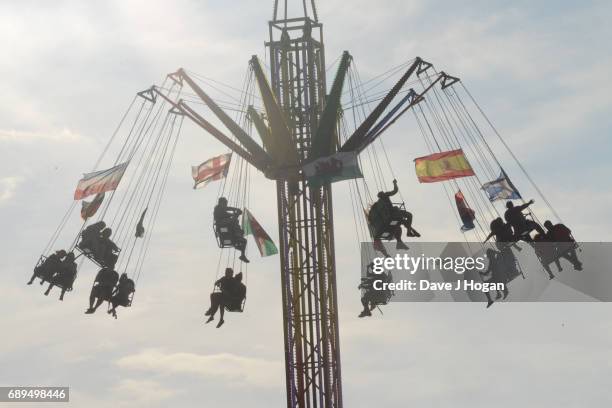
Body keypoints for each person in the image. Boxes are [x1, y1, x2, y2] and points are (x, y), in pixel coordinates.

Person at [213, 197, 249, 263]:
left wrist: (235, 214)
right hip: (221, 224)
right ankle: (237, 234)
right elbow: (226, 210)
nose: (226, 205)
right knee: (234, 220)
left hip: (228, 228)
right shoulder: (217, 208)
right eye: (225, 203)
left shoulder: (222, 210)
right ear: (221, 203)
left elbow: (227, 213)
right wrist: (235, 210)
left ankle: (242, 255)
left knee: (244, 241)